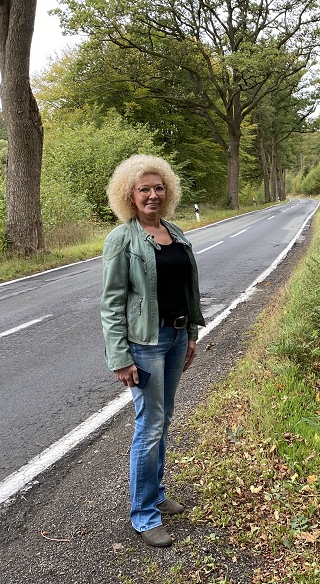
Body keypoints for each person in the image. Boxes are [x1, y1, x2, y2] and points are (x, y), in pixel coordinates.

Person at [100, 154, 205, 547]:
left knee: (164, 419)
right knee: (149, 426)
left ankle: (157, 495)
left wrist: (192, 333)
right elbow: (111, 303)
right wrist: (120, 357)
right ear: (130, 194)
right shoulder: (121, 240)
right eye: (144, 188)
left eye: (159, 187)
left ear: (168, 191)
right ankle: (144, 514)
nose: (152, 195)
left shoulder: (174, 232)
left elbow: (186, 288)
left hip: (177, 338)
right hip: (144, 344)